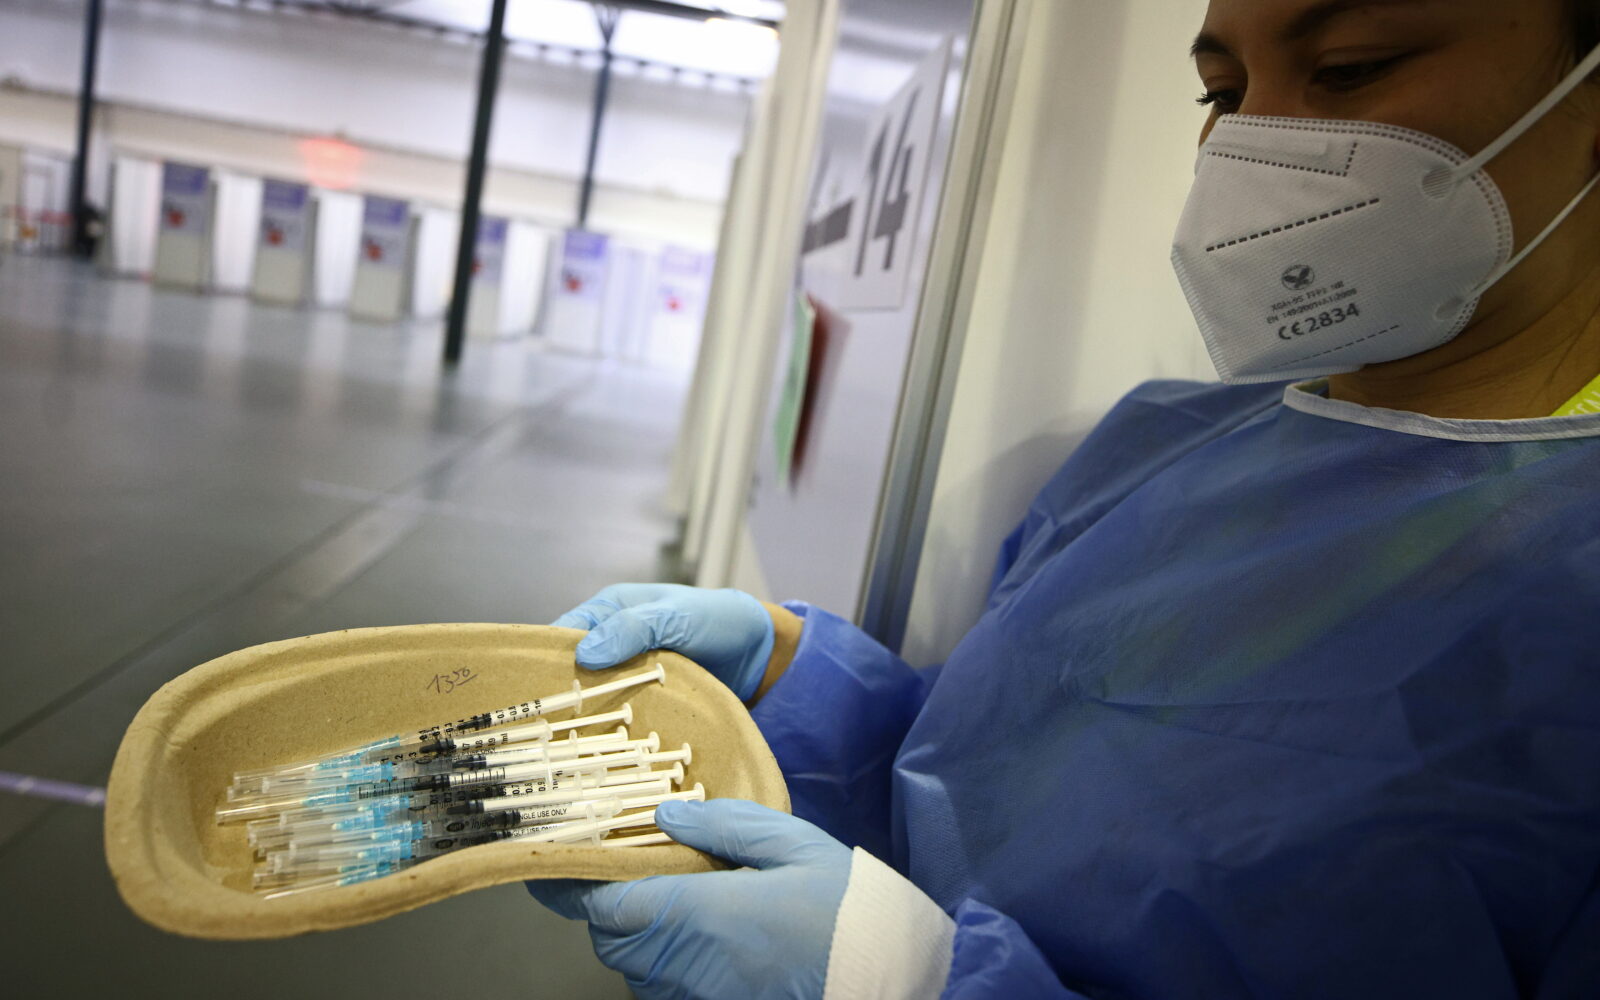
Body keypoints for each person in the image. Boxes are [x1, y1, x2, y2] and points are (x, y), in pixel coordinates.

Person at [528, 1, 1600, 996]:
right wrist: (790, 677)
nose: (1253, 144)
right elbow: (988, 772)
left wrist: (906, 978)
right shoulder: (1166, 442)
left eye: (1351, 67)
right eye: (1222, 93)